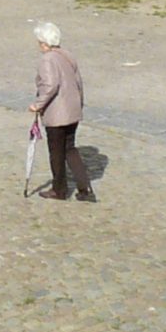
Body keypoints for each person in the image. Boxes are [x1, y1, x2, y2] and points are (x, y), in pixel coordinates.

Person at [30, 20, 95, 201]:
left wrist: (38, 104)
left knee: (56, 152)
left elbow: (50, 85)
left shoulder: (47, 59)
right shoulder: (67, 55)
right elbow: (78, 83)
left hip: (57, 112)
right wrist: (79, 104)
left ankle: (59, 189)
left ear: (44, 43)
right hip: (72, 110)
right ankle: (84, 187)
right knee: (70, 149)